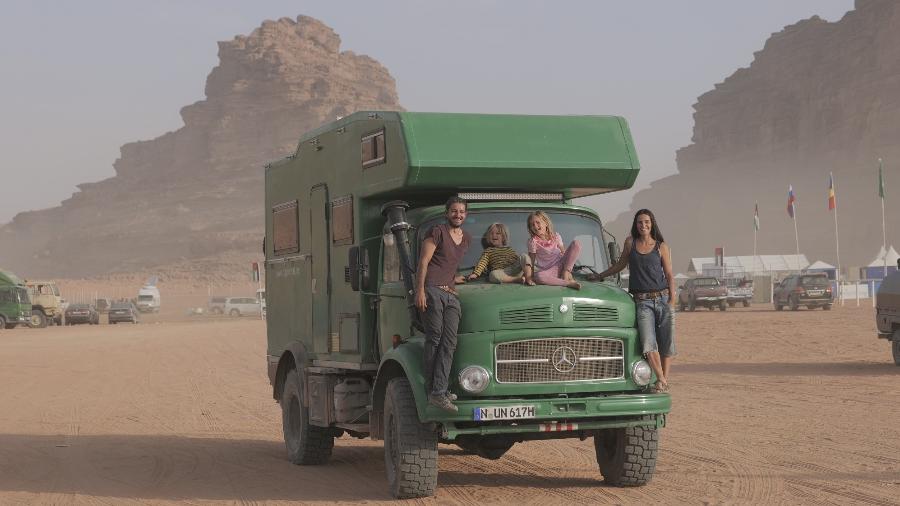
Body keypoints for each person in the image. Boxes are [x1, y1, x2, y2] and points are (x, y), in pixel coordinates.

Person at [591, 209, 675, 393]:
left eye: (646, 222)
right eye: (639, 222)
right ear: (635, 225)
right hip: (642, 302)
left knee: (666, 342)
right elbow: (620, 265)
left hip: (662, 299)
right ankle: (661, 379)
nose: (643, 225)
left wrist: (672, 299)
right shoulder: (630, 243)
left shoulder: (661, 246)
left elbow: (668, 274)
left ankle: (663, 381)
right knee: (648, 342)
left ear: (652, 223)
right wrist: (600, 276)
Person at [415, 196, 471, 413]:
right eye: (454, 211)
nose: (458, 215)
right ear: (447, 213)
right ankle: (434, 391)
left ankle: (440, 389)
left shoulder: (466, 238)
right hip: (432, 290)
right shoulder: (437, 231)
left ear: (465, 215)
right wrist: (419, 290)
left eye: (462, 212)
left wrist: (456, 278)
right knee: (435, 338)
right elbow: (423, 262)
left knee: (449, 343)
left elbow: (449, 264)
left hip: (450, 293)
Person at [523, 211, 581, 289]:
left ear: (546, 223)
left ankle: (566, 273)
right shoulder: (533, 242)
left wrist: (566, 268)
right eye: (532, 225)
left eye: (538, 222)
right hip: (551, 270)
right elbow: (531, 261)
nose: (535, 226)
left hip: (563, 264)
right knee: (539, 276)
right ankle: (567, 283)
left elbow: (563, 252)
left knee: (576, 243)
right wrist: (530, 276)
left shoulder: (556, 236)